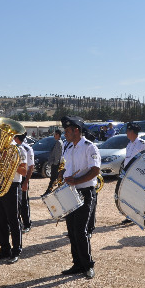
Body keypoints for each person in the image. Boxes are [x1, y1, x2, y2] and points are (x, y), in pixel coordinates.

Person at [59, 116, 100, 279]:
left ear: (76, 130)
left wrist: (76, 180)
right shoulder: (68, 147)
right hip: (70, 192)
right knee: (71, 230)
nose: (65, 134)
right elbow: (67, 167)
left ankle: (88, 265)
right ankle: (77, 264)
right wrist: (63, 175)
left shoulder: (90, 147)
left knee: (81, 231)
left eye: (67, 131)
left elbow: (95, 170)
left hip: (84, 191)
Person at [0, 128, 27, 264]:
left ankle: (16, 250)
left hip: (13, 186)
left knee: (14, 220)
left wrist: (10, 162)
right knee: (0, 220)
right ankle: (4, 249)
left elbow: (24, 170)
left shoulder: (19, 150)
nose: (3, 137)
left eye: (7, 135)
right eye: (2, 134)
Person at [120, 122, 145, 224]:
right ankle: (129, 215)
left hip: (137, 173)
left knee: (137, 194)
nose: (127, 133)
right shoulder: (129, 144)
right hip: (128, 172)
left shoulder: (142, 143)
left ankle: (138, 215)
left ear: (133, 132)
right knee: (129, 194)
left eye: (128, 131)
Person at [14, 132, 34, 233]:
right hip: (15, 179)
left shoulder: (27, 149)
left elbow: (31, 167)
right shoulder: (13, 147)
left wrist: (26, 182)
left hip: (23, 178)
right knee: (15, 203)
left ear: (17, 138)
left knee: (24, 202)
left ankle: (27, 223)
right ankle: (16, 223)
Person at [45, 130, 63, 195]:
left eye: (55, 134)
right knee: (55, 179)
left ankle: (48, 192)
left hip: (56, 164)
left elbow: (58, 154)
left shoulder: (59, 142)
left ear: (58, 135)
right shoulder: (58, 142)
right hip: (56, 163)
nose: (54, 136)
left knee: (53, 179)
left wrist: (55, 163)